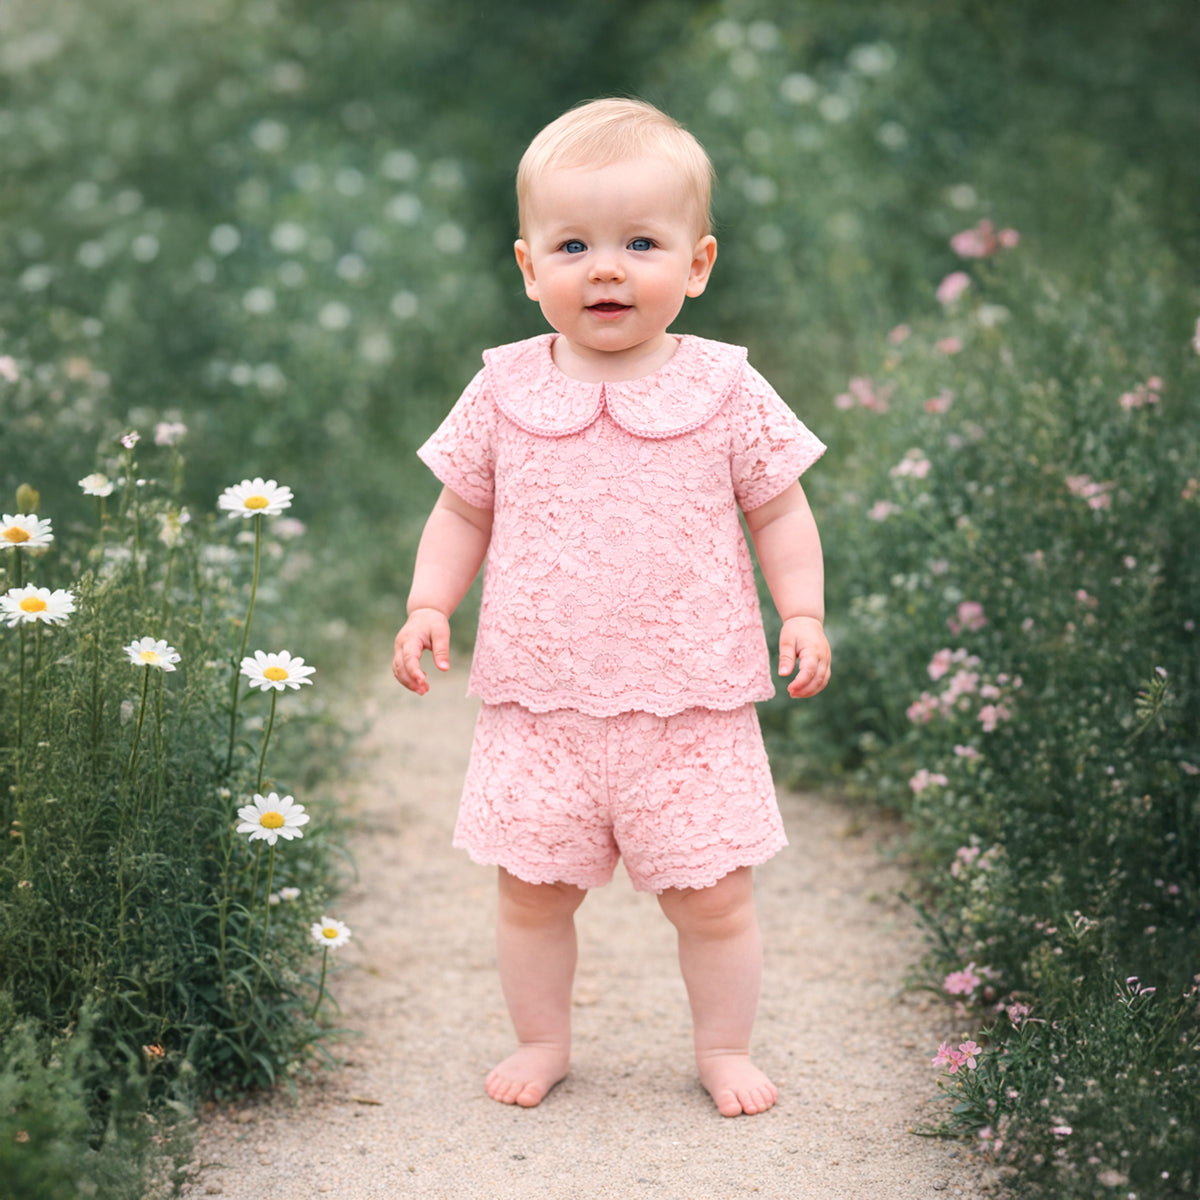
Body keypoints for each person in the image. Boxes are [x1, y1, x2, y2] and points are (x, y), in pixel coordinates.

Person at [392, 98, 830, 1118]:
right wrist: (427, 603)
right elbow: (461, 509)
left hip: (694, 702)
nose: (606, 267)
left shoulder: (725, 387)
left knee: (713, 899)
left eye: (642, 242)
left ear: (699, 261)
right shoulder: (504, 389)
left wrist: (800, 611)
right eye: (574, 243)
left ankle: (722, 1049)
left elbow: (781, 510)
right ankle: (544, 1039)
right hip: (541, 705)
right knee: (531, 892)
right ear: (527, 265)